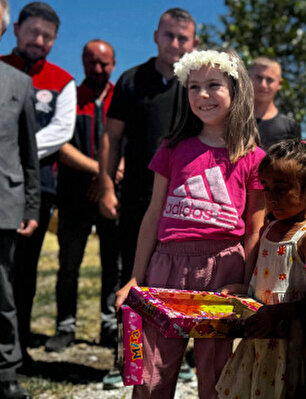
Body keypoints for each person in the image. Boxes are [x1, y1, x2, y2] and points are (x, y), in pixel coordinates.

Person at [113, 49, 266, 399]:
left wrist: (246, 281)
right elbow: (152, 214)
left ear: (236, 89)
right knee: (152, 374)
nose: (202, 95)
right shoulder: (172, 148)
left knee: (215, 376)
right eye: (194, 87)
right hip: (167, 266)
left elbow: (255, 227)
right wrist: (136, 277)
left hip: (223, 270)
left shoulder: (253, 156)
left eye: (213, 85)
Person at [95, 8, 198, 385]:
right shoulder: (130, 80)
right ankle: (126, 360)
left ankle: (177, 360)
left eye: (182, 38)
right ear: (156, 36)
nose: (175, 44)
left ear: (194, 43)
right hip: (137, 197)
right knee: (131, 278)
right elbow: (112, 137)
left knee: (180, 282)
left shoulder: (197, 87)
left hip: (187, 205)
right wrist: (106, 184)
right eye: (169, 36)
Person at [0, 1, 75, 367]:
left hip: (37, 187)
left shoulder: (62, 80)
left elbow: (62, 131)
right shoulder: (1, 68)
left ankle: (19, 345)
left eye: (47, 36)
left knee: (24, 271)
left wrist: (14, 146)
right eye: (33, 32)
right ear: (16, 30)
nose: (39, 40)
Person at [216, 139, 306, 399]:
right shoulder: (268, 230)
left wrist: (278, 313)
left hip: (289, 345)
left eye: (282, 189)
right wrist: (243, 290)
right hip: (258, 343)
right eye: (266, 187)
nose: (271, 197)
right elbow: (264, 281)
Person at [45, 39, 120, 354]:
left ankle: (110, 324)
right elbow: (59, 145)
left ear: (113, 64)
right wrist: (100, 172)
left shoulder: (123, 96)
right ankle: (66, 326)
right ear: (82, 61)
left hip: (114, 195)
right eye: (91, 61)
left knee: (113, 264)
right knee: (69, 264)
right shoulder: (69, 96)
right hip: (74, 194)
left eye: (104, 63)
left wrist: (108, 181)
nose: (98, 68)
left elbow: (132, 142)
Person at [0, 0, 40, 396]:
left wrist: (31, 205)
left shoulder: (19, 83)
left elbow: (29, 154)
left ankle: (5, 372)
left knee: (2, 292)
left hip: (4, 204)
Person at [249, 57, 300, 149]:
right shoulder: (233, 120)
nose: (263, 85)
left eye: (269, 80)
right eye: (258, 78)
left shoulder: (290, 127)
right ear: (248, 78)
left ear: (279, 84)